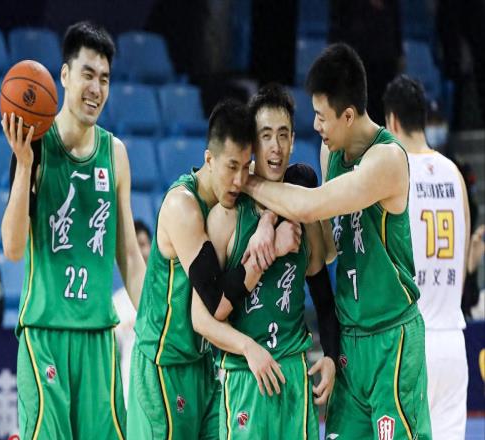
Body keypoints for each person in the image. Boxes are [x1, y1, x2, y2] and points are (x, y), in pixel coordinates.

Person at [244, 43, 432, 439]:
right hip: (350, 340)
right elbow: (328, 248)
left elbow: (310, 205)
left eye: (321, 116)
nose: (316, 126)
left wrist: (243, 178)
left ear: (348, 115)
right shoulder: (331, 155)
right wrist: (268, 221)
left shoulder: (386, 159)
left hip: (391, 337)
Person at [1, 21, 146, 439]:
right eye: (87, 74)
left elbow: (129, 256)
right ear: (63, 75)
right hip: (45, 333)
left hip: (99, 336)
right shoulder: (34, 144)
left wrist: (155, 329)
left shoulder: (115, 153)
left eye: (105, 79)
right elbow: (12, 248)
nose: (96, 88)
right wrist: (24, 166)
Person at [127, 100, 286, 439]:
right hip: (163, 365)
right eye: (231, 167)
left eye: (246, 167)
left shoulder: (231, 202)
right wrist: (264, 255)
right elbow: (215, 301)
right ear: (209, 159)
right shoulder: (182, 207)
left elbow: (294, 182)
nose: (239, 180)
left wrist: (268, 221)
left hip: (202, 364)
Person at [199, 83, 339, 439]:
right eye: (265, 136)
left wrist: (330, 356)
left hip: (293, 372)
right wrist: (248, 349)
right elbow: (208, 314)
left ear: (293, 142)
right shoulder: (225, 217)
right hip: (246, 374)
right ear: (252, 144)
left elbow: (322, 294)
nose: (275, 146)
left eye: (283, 135)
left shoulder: (303, 212)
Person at [383, 74, 470, 440]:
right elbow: (462, 264)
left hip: (413, 339)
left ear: (391, 121)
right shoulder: (454, 173)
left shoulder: (395, 172)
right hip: (453, 339)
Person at [113, 219, 152, 406]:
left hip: (161, 394)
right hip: (129, 399)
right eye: (133, 246)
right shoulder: (117, 303)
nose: (138, 253)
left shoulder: (167, 295)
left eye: (142, 244)